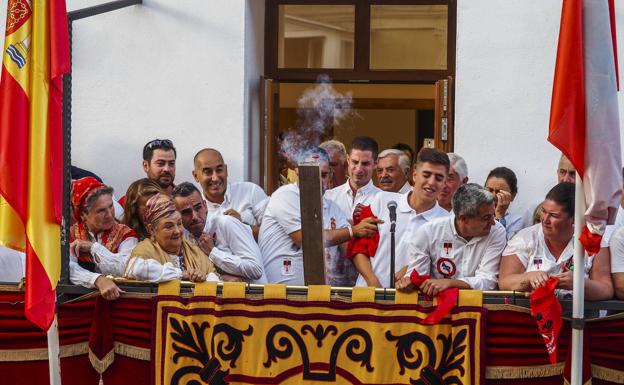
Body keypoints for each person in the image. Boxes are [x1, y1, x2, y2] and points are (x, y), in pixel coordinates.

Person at [259, 147, 380, 285]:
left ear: (330, 176)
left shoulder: (333, 207)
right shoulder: (285, 195)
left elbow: (350, 248)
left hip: (319, 295)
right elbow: (306, 239)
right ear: (298, 172)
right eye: (311, 174)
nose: (317, 180)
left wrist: (372, 278)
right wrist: (353, 231)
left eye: (323, 175)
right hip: (278, 294)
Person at [354, 148, 451, 288]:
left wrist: (413, 268)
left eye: (439, 178)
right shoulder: (382, 201)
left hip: (408, 303)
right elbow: (358, 248)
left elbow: (444, 266)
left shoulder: (447, 221)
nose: (431, 182)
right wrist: (372, 281)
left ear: (445, 182)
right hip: (367, 297)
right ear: (414, 175)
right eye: (426, 174)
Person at [499, 183, 613, 300]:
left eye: (554, 215)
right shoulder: (524, 238)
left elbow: (606, 289)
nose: (545, 219)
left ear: (573, 218)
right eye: (544, 211)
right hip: (532, 316)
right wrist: (529, 277)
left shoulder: (593, 240)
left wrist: (579, 283)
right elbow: (504, 282)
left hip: (581, 317)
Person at [396, 183, 506, 294]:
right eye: (486, 218)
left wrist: (450, 283)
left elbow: (488, 282)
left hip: (478, 306)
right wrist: (409, 283)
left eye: (493, 215)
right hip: (435, 305)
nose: (493, 222)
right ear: (463, 218)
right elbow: (419, 277)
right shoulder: (428, 232)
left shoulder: (497, 231)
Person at [172, 182, 265, 283]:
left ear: (205, 206)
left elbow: (256, 269)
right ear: (177, 214)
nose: (194, 216)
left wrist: (213, 252)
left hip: (256, 297)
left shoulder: (226, 223)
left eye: (198, 207)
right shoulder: (184, 235)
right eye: (186, 212)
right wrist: (220, 278)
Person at [69, 177, 138, 300]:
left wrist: (93, 247)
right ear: (83, 215)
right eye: (101, 211)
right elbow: (68, 268)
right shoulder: (71, 234)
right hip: (79, 303)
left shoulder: (125, 234)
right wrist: (97, 280)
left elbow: (126, 267)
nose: (109, 214)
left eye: (111, 206)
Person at [124, 194, 218, 282]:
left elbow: (215, 278)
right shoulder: (145, 249)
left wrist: (203, 279)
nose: (177, 231)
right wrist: (181, 274)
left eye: (179, 223)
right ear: (151, 229)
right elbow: (135, 269)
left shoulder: (195, 251)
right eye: (169, 227)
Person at [192, 148, 268, 238]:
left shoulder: (251, 191)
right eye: (208, 172)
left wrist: (242, 225)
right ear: (196, 176)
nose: (215, 178)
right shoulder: (196, 212)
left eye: (219, 170)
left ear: (226, 170)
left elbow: (274, 232)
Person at [324, 136, 381, 222]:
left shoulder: (382, 200)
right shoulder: (329, 197)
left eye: (365, 164)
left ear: (375, 164)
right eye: (355, 162)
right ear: (348, 160)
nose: (358, 169)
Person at [484, 167, 524, 239]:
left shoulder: (516, 221)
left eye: (499, 192)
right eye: (489, 190)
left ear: (513, 195)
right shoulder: (475, 213)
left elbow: (499, 246)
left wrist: (499, 215)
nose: (493, 196)